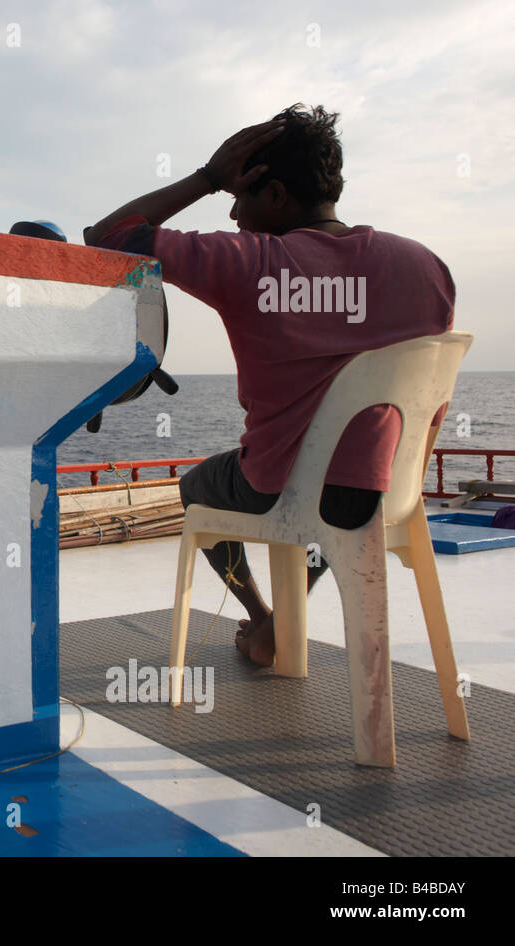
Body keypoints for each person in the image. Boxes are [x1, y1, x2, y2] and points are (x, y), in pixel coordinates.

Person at [84, 104, 455, 666]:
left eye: (241, 195)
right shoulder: (427, 267)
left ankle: (262, 618)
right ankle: (283, 622)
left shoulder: (249, 263)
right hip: (383, 491)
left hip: (276, 486)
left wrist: (207, 177)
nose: (232, 212)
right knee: (341, 480)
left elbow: (105, 238)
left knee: (196, 490)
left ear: (277, 196)